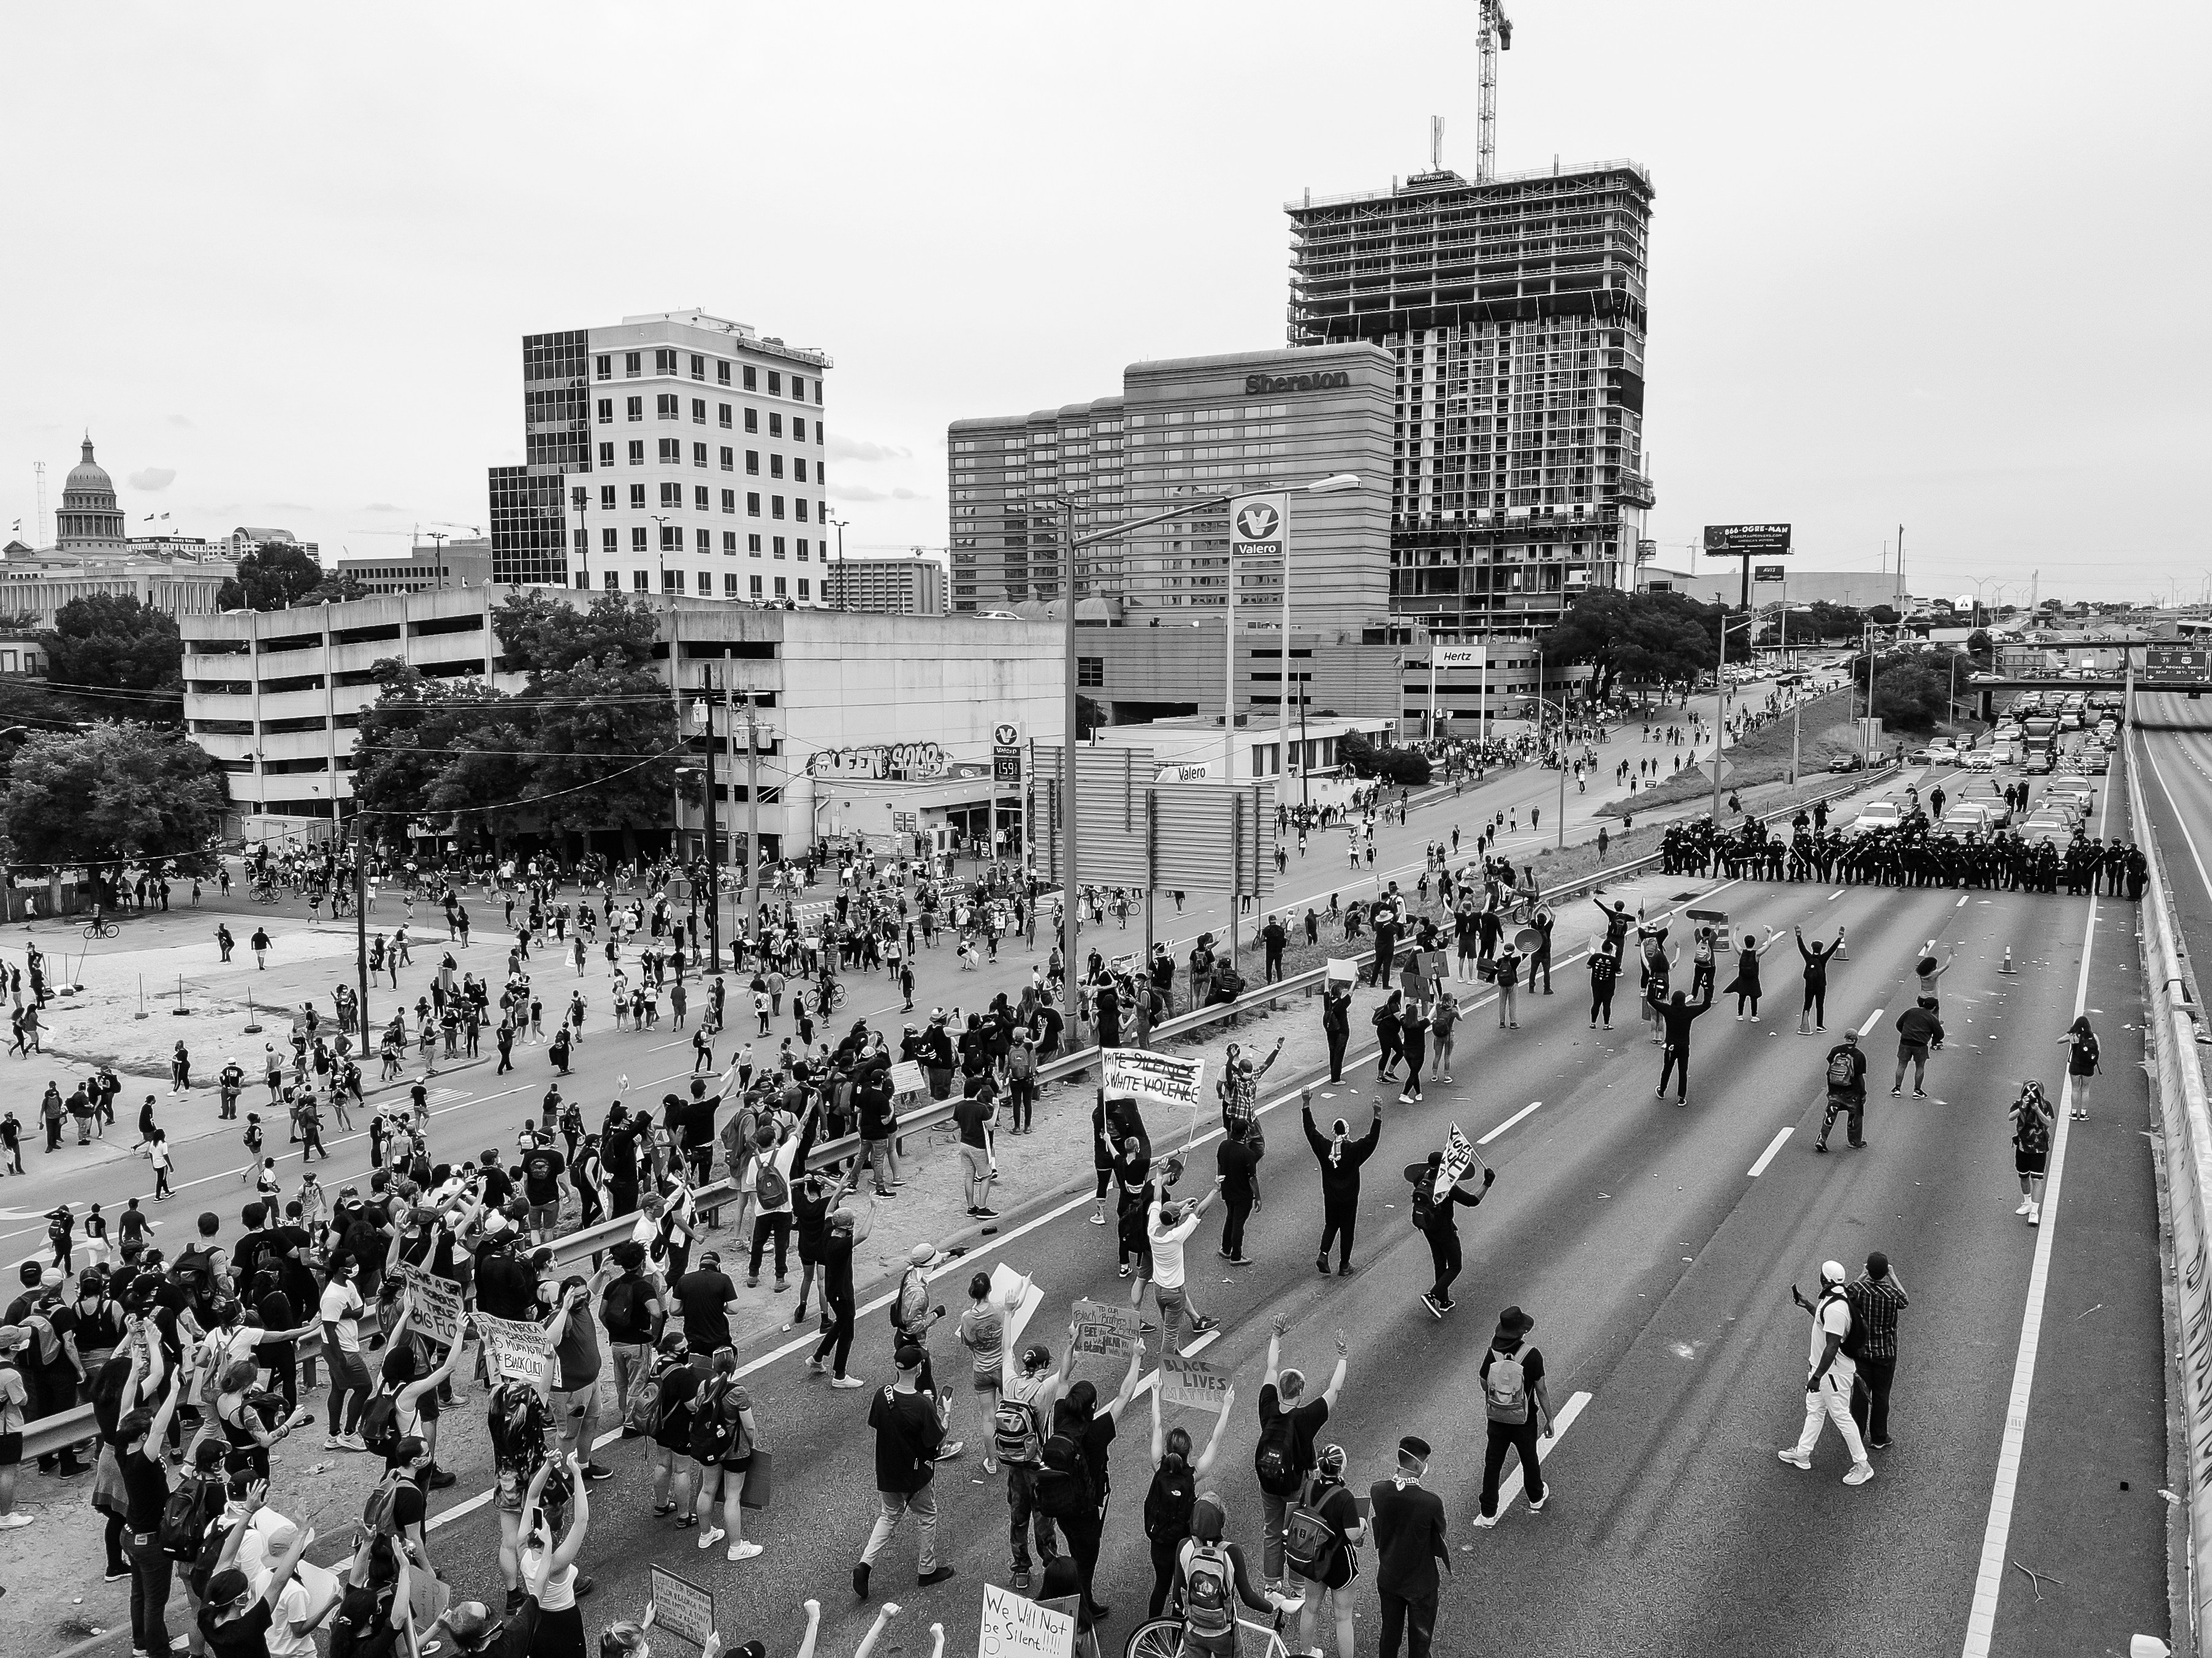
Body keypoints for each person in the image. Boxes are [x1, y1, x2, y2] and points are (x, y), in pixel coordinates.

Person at [852, 1343, 957, 1600]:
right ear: (919, 1368)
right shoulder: (923, 1404)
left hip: (887, 1472)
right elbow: (937, 1440)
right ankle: (927, 1568)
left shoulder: (882, 1394)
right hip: (915, 1475)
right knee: (927, 1515)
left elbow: (877, 1423)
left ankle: (865, 1563)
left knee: (888, 1516)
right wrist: (946, 1413)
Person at [1254, 1318, 1348, 1587]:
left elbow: (1271, 1366)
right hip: (1296, 1486)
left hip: (1268, 1483)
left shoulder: (1268, 1406)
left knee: (1271, 1531)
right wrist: (1343, 1356)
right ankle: (1296, 1587)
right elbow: (1335, 1389)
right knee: (1297, 1531)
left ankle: (1272, 1584)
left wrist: (1275, 1334)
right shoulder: (1306, 1418)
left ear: (1280, 1389)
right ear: (1302, 1391)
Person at [1143, 1378, 1236, 1618]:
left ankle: (1150, 1631)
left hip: (1158, 1543)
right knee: (1179, 1590)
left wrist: (1156, 1393)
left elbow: (1157, 1425)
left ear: (1168, 1448)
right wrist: (1226, 1407)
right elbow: (1215, 1441)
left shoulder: (1159, 1466)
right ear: (1188, 1452)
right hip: (1182, 1546)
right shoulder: (1193, 1476)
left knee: (1160, 1587)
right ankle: (1176, 1640)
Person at [1780, 1260, 1874, 1486]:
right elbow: (1825, 1324)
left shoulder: (1835, 1308)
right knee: (1815, 1411)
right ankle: (1802, 1454)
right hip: (1824, 1371)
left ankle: (1863, 1465)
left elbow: (1832, 1346)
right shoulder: (1837, 1295)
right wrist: (1809, 1306)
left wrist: (1816, 1376)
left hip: (1832, 1374)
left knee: (1841, 1416)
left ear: (1824, 1279)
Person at [1167, 1495, 1298, 1655]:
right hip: (1223, 1632)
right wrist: (1272, 1605)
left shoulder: (1183, 1546)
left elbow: (1178, 1593)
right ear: (1220, 1520)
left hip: (1193, 1628)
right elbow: (1248, 1598)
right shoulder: (1231, 1552)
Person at [1369, 1435, 1450, 1658]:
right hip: (1421, 1584)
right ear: (1417, 1464)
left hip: (1389, 1577)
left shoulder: (1378, 1491)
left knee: (1389, 1636)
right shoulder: (1430, 1503)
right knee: (1420, 1642)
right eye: (1424, 1463)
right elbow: (1440, 1531)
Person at [1473, 1305, 1552, 1525]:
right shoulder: (1532, 1355)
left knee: (1493, 1463)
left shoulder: (1493, 1354)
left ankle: (1488, 1512)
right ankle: (1536, 1497)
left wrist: (1501, 1398)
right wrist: (1550, 1418)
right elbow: (1541, 1389)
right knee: (1528, 1458)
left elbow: (1483, 1382)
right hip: (1523, 1419)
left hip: (1497, 1418)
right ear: (1522, 1331)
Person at [1285, 1442, 1365, 1658]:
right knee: (1343, 1617)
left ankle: (1308, 1652)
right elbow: (1352, 1534)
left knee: (1311, 1607)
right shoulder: (1344, 1496)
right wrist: (1363, 1523)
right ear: (1341, 1468)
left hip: (1313, 1555)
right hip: (1340, 1563)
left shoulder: (1309, 1486)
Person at [1302, 1088, 1381, 1275]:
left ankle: (1323, 1253)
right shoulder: (1354, 1151)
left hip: (1330, 1196)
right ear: (1347, 1132)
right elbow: (1372, 1140)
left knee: (1331, 1224)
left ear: (1333, 1132)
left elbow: (1310, 1131)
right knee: (1347, 1230)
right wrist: (1377, 1115)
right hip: (1349, 1198)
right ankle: (1344, 1265)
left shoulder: (1325, 1149)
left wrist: (1306, 1104)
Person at [1406, 1153, 1495, 1316]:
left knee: (1440, 1263)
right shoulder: (1446, 1185)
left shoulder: (1421, 1178)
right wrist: (1487, 1183)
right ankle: (1432, 1296)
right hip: (1445, 1231)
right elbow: (1472, 1201)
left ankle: (1444, 1301)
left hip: (1428, 1227)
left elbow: (1415, 1182)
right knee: (1455, 1266)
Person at [1846, 1251, 1909, 1452]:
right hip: (1886, 1353)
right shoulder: (1891, 1295)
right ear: (1885, 1272)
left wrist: (1863, 1274)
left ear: (1869, 1270)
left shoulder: (1860, 1290)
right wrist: (1892, 1275)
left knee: (1860, 1395)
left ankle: (1855, 1434)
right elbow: (1904, 1300)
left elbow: (1846, 1292)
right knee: (1881, 1395)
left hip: (1863, 1352)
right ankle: (1879, 1437)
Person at [1815, 1030, 1870, 1153]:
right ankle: (1855, 1141)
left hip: (1835, 1090)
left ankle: (1822, 1139)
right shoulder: (1859, 1055)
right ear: (1856, 1040)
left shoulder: (1835, 1051)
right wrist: (1863, 1093)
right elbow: (1859, 1078)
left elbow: (1830, 1069)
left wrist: (1830, 1090)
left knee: (1830, 1114)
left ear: (1845, 1038)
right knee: (1855, 1114)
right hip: (1852, 1092)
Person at [2011, 1080, 2056, 1226]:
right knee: (2023, 1175)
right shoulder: (2019, 1103)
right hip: (2023, 1146)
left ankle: (2035, 1212)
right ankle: (2027, 1202)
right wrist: (2022, 1108)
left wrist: (2037, 1110)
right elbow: (2010, 1117)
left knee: (2037, 1179)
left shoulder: (2045, 1105)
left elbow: (2048, 1123)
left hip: (2039, 1147)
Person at [1796, 926, 1842, 1035]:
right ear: (1821, 948)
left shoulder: (1808, 957)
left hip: (1809, 986)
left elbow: (1801, 948)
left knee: (1807, 1004)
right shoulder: (1823, 958)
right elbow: (1832, 949)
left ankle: (1804, 1023)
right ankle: (1819, 1026)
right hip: (1821, 986)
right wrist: (1839, 938)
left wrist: (1799, 936)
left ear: (1812, 948)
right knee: (1819, 1005)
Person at [1891, 1003, 1943, 1098]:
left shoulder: (1911, 1011)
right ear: (1934, 1008)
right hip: (1921, 1045)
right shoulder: (1932, 1018)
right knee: (1920, 1066)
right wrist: (1933, 1042)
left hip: (1905, 1043)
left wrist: (1905, 1033)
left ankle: (1897, 1089)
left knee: (1902, 1065)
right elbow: (1940, 1034)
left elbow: (1899, 1024)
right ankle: (1917, 1090)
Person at [2061, 1013, 2101, 1121]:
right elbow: (2098, 1052)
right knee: (2085, 1089)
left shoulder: (2074, 1036)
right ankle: (2083, 1114)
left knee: (2075, 1089)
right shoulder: (2094, 1037)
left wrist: (2070, 1035)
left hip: (2075, 1066)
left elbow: (2059, 1041)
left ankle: (2074, 1112)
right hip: (2088, 1067)